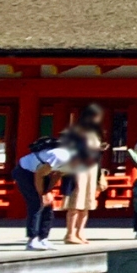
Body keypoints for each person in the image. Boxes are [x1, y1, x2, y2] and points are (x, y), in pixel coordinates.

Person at [15, 133, 76, 251]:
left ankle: (43, 238)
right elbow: (39, 174)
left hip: (43, 173)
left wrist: (48, 191)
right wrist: (41, 194)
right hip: (25, 171)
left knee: (48, 204)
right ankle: (32, 240)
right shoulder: (61, 156)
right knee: (37, 203)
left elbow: (57, 174)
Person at [58, 104, 108, 246]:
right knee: (75, 202)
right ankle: (70, 233)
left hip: (92, 169)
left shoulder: (96, 134)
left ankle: (80, 232)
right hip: (78, 169)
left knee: (87, 203)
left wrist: (101, 174)